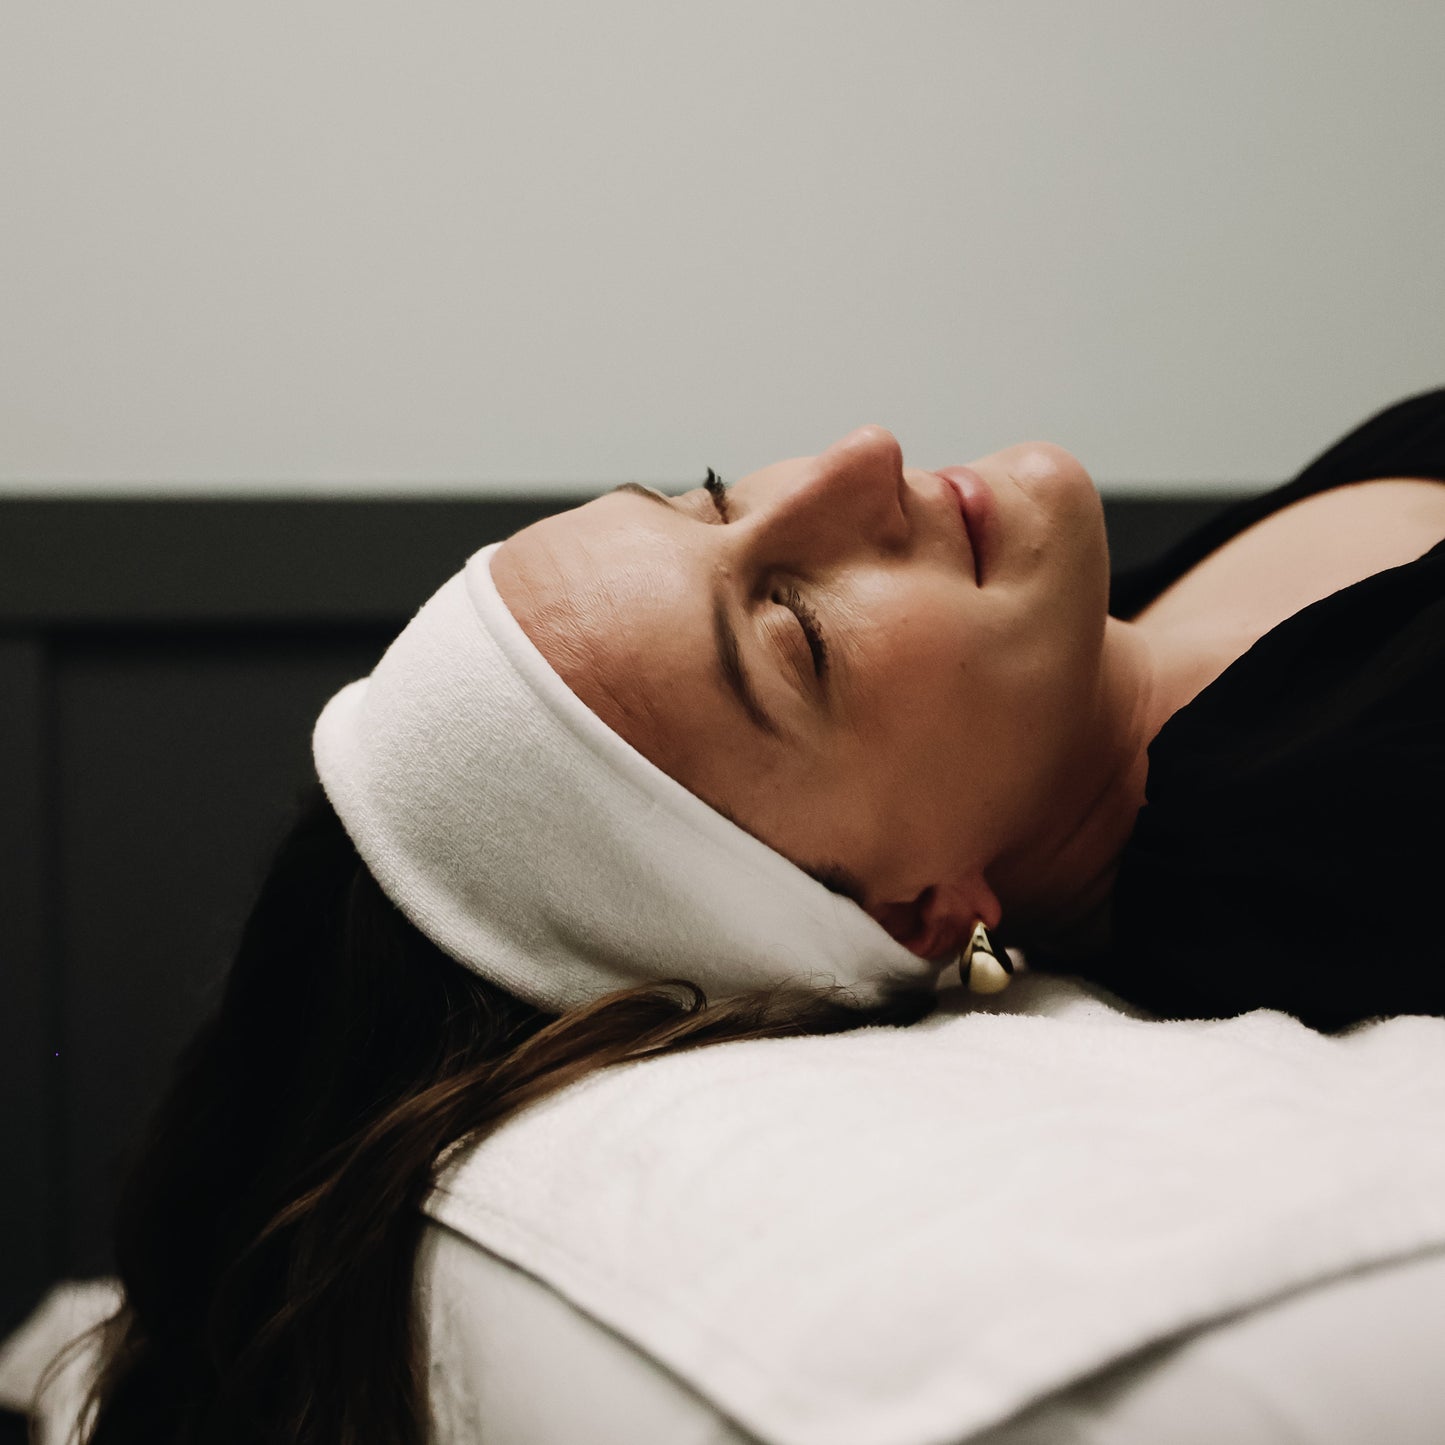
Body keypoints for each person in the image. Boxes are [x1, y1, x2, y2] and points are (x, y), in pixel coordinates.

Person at [78, 387, 1445, 1442]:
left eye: (716, 501)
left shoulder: (1117, 633)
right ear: (910, 908)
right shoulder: (1329, 809)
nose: (856, 457)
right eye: (799, 636)